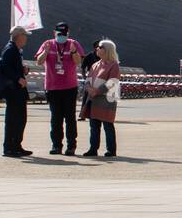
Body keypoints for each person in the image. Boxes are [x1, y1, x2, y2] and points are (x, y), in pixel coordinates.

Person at [35, 21, 84, 155]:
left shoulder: (73, 43)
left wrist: (73, 51)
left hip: (69, 87)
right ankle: (56, 145)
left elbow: (78, 62)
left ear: (68, 34)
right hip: (52, 87)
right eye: (59, 33)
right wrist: (45, 52)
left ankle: (71, 146)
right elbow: (39, 61)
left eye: (63, 34)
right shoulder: (48, 43)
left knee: (70, 117)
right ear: (54, 33)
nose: (61, 36)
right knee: (55, 118)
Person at [82, 39, 121, 158]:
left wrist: (97, 91)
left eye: (100, 47)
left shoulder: (114, 65)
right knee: (94, 126)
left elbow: (112, 82)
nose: (97, 49)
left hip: (107, 100)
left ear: (107, 50)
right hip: (93, 99)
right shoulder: (95, 65)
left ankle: (111, 150)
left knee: (108, 125)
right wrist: (89, 89)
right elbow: (88, 80)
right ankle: (93, 149)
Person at [0, 27, 33, 158]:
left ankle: (17, 145)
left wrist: (23, 70)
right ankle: (9, 147)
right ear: (19, 36)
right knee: (13, 119)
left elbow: (12, 66)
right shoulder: (10, 49)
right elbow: (5, 67)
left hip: (18, 91)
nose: (26, 38)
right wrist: (17, 78)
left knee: (20, 119)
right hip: (13, 91)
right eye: (25, 35)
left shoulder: (16, 50)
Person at [78, 40, 101, 121]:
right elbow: (83, 68)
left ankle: (98, 115)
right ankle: (83, 115)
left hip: (100, 79)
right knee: (86, 98)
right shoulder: (89, 56)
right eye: (99, 46)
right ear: (95, 48)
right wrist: (85, 78)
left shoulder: (104, 56)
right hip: (90, 79)